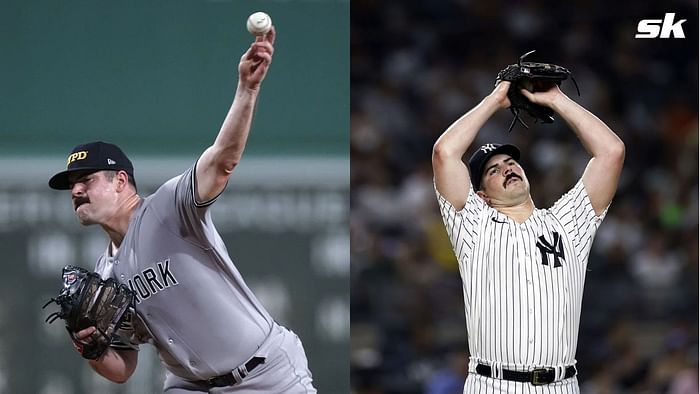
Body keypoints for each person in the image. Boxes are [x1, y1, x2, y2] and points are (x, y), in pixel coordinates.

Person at [47, 26, 317, 393]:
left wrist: (247, 89)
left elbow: (222, 160)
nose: (76, 190)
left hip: (263, 374)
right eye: (71, 185)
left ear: (121, 181)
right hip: (189, 385)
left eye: (87, 179)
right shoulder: (104, 274)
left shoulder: (168, 208)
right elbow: (123, 367)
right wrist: (91, 348)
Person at [431, 80, 625, 392]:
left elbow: (611, 152)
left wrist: (556, 99)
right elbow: (445, 152)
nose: (506, 169)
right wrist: (495, 100)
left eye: (510, 162)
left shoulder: (566, 223)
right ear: (481, 195)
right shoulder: (473, 224)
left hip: (560, 384)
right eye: (493, 171)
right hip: (492, 383)